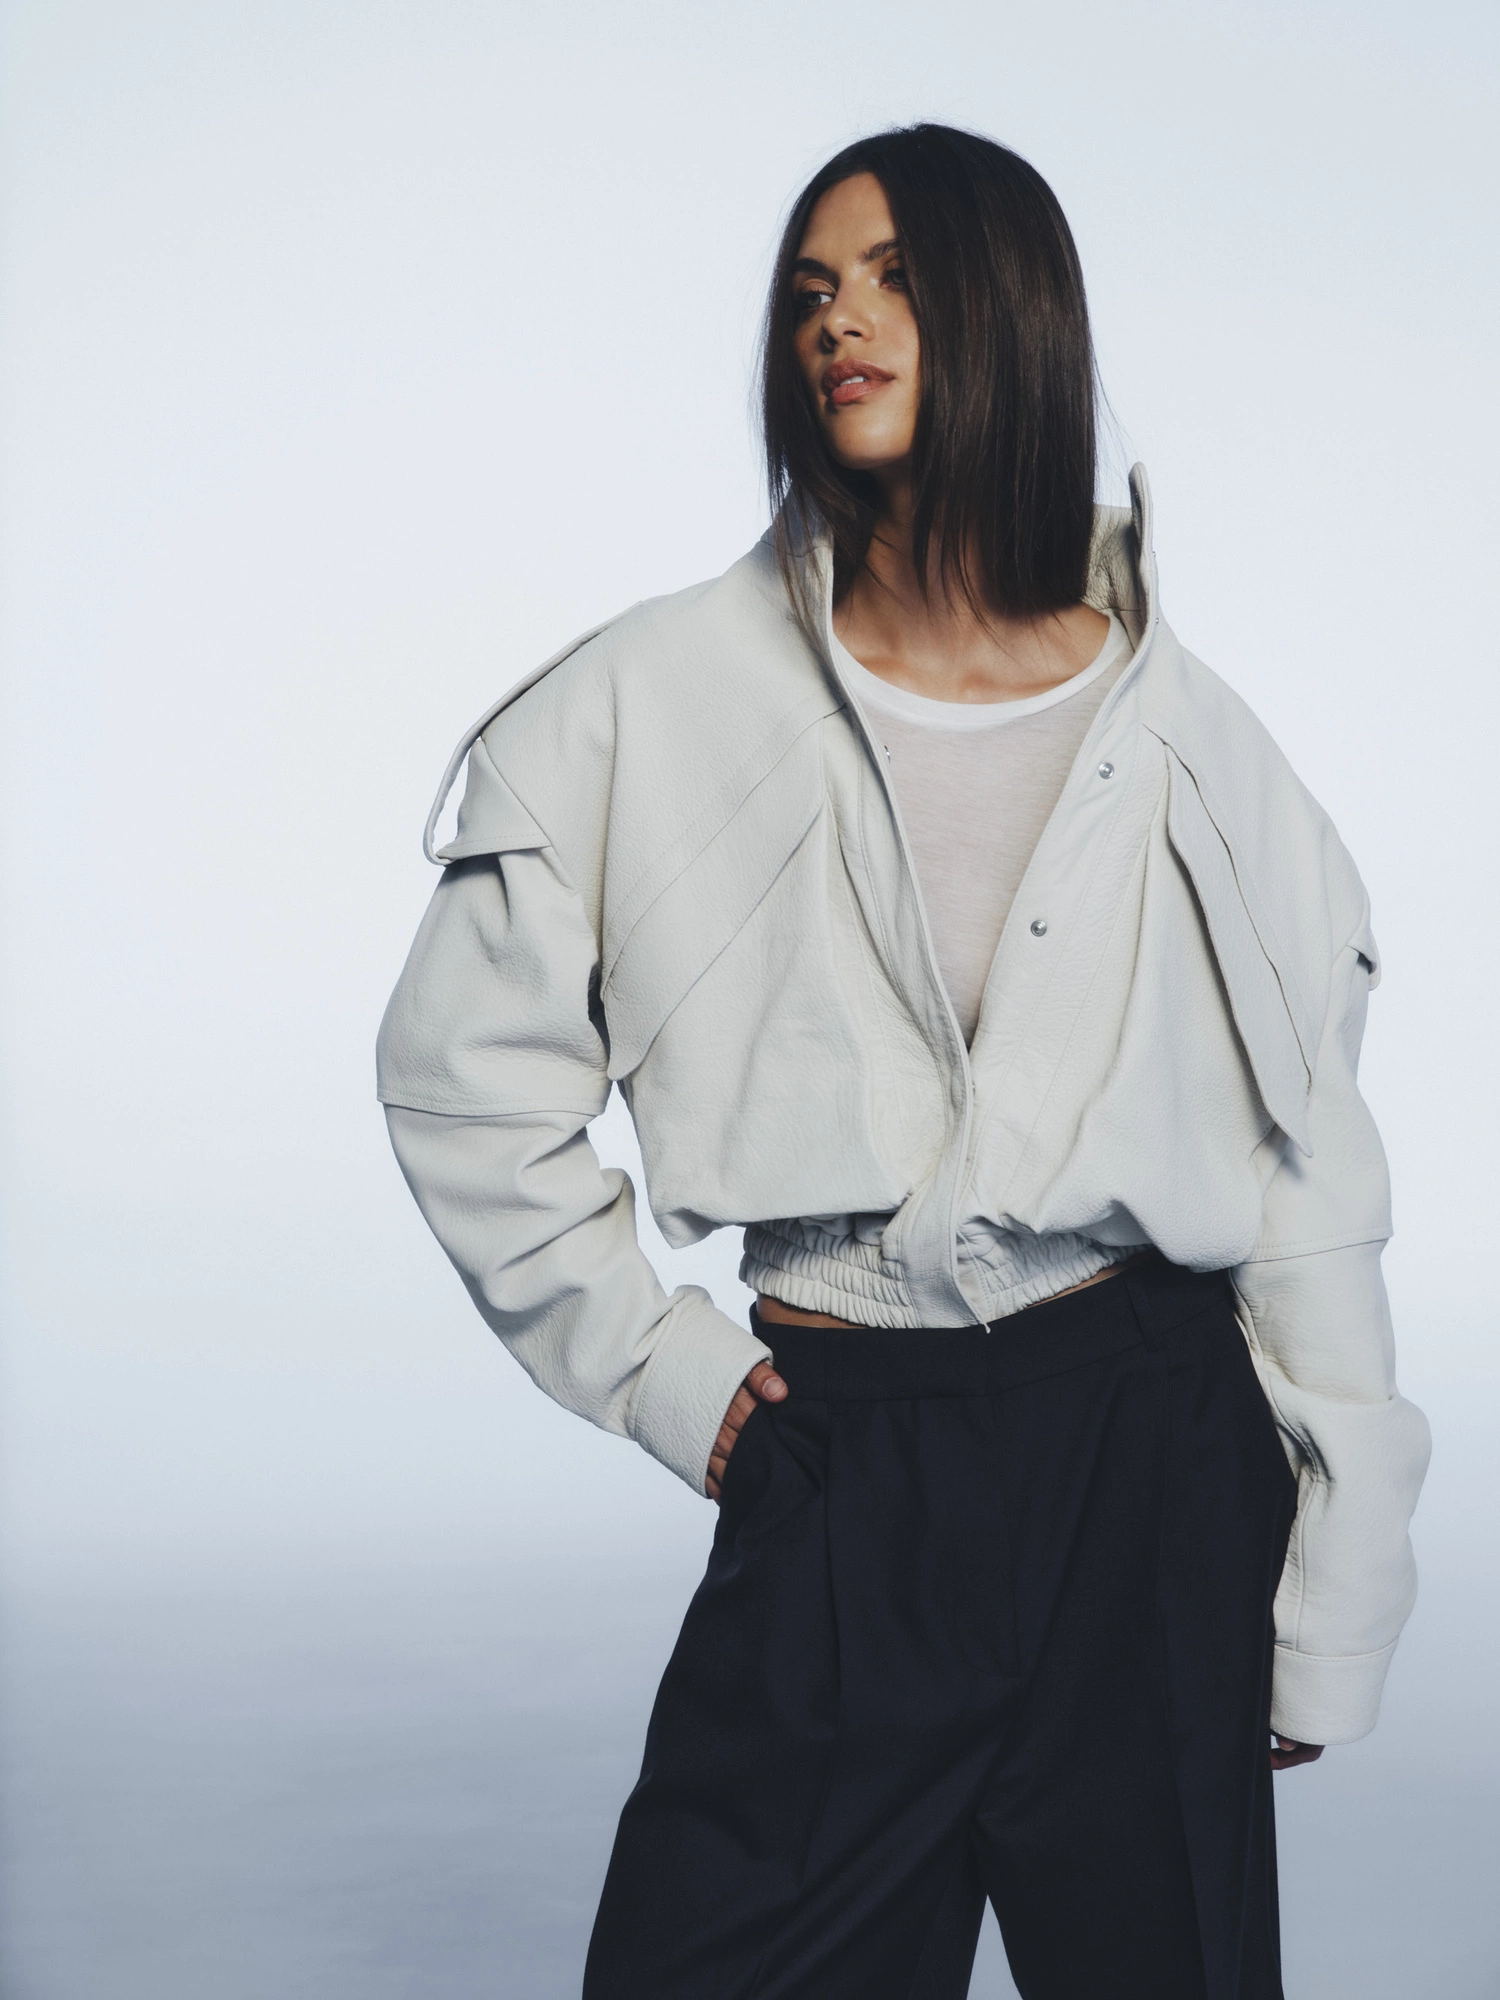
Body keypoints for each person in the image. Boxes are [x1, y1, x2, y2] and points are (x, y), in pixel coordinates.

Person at [376, 124, 1430, 2000]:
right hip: (843, 1459)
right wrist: (662, 1371)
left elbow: (1306, 1170)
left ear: (1013, 316)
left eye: (894, 280)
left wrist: (1335, 1582)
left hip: (1147, 1460)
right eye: (809, 290)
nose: (836, 323)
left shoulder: (1191, 739)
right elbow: (464, 1078)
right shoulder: (652, 699)